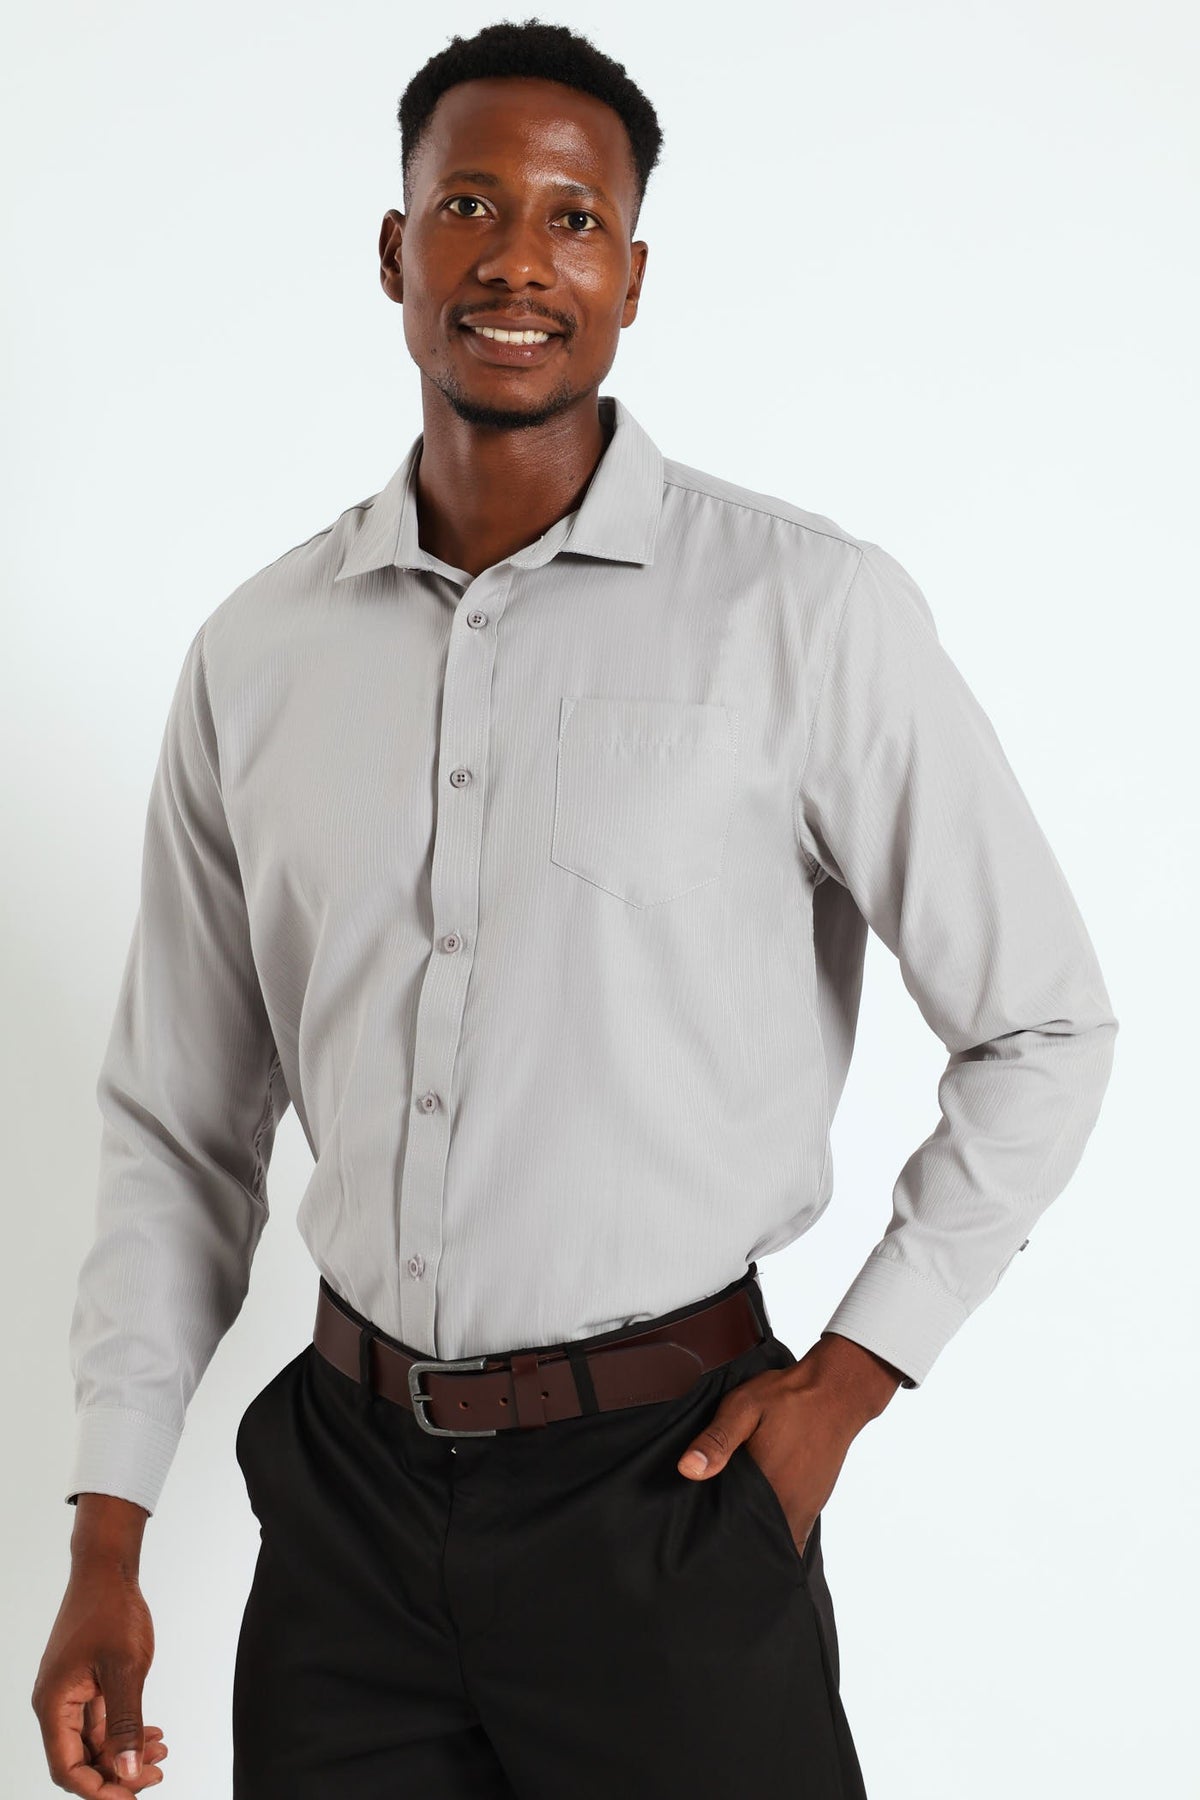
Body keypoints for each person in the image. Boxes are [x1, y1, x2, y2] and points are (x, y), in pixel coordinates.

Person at [32, 18, 1119, 1799]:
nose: (517, 259)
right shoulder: (258, 654)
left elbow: (1045, 1027)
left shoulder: (806, 614)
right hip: (346, 1518)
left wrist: (852, 1380)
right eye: (469, 206)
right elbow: (179, 1124)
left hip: (670, 1500)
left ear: (631, 275)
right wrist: (106, 1531)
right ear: (396, 249)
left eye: (573, 217)